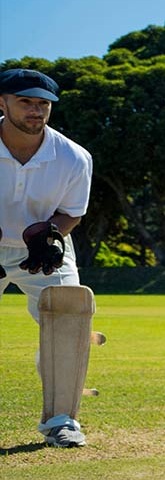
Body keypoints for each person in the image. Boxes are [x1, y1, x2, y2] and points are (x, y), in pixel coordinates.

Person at [0, 68, 96, 447]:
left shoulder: (73, 157)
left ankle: (61, 420)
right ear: (2, 102)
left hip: (45, 250)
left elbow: (72, 211)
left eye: (43, 104)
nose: (36, 110)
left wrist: (51, 234)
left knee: (69, 316)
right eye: (25, 102)